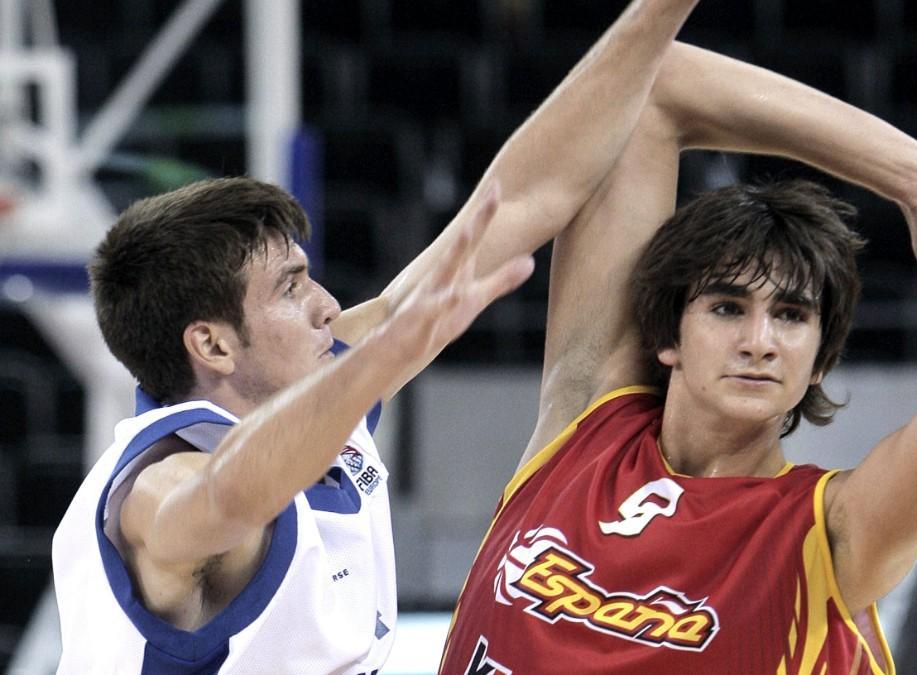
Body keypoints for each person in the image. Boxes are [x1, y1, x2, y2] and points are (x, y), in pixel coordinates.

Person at [438, 15, 917, 675]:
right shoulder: (584, 432)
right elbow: (652, 83)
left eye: (790, 316)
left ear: (820, 356)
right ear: (667, 334)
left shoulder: (825, 531)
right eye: (727, 306)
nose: (759, 340)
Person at [51, 1, 702, 671]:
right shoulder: (155, 489)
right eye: (291, 287)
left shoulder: (308, 381)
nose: (329, 307)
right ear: (212, 345)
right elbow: (227, 494)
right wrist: (383, 355)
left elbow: (528, 195)